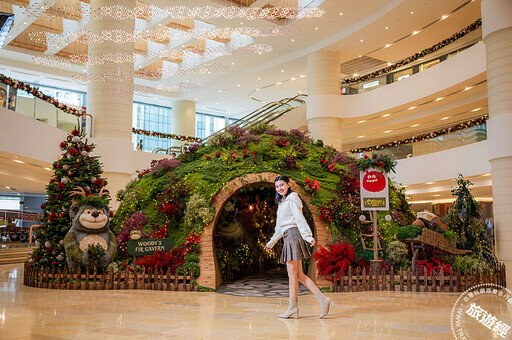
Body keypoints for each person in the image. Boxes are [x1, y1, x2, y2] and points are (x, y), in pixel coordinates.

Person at [264, 175, 335, 319]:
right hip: (288, 236)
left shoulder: (292, 199)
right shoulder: (283, 203)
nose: (279, 188)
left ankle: (293, 308)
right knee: (298, 275)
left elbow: (299, 219)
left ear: (288, 185)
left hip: (293, 236)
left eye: (282, 185)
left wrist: (308, 236)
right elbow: (279, 228)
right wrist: (271, 243)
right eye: (277, 186)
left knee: (292, 275)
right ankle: (322, 300)